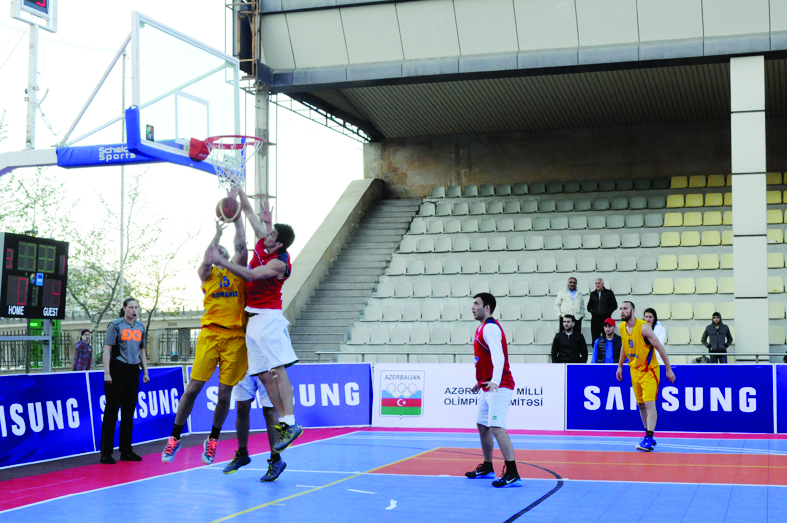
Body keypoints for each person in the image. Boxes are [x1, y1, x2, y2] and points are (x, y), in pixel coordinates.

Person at [206, 189, 302, 452]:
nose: (266, 233)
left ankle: (290, 421)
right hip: (253, 319)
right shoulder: (265, 240)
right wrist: (238, 196)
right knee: (261, 372)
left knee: (277, 370)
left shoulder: (279, 264)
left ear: (279, 244)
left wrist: (221, 262)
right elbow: (248, 213)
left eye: (271, 233)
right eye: (268, 232)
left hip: (269, 318)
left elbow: (249, 276)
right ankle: (285, 424)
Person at [162, 207, 249, 465]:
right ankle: (175, 436)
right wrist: (216, 235)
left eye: (223, 252)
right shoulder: (207, 274)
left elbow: (242, 248)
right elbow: (206, 257)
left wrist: (238, 220)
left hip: (235, 339)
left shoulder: (239, 273)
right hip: (210, 335)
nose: (219, 254)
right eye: (216, 252)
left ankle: (213, 439)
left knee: (224, 396)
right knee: (193, 389)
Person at [464, 293, 520, 488]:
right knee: (482, 425)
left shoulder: (490, 328)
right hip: (487, 386)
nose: (473, 307)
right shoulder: (481, 328)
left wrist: (495, 381)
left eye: (476, 304)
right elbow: (485, 360)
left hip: (500, 385)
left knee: (497, 427)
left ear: (487, 308)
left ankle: (513, 472)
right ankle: (488, 466)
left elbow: (498, 357)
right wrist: (480, 382)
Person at [616, 301, 676, 452]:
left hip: (649, 370)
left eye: (625, 309)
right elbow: (625, 345)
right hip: (634, 370)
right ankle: (647, 434)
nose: (622, 312)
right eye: (621, 309)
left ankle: (649, 437)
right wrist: (620, 366)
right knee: (641, 404)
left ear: (633, 311)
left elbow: (659, 348)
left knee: (650, 404)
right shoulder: (622, 327)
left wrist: (668, 369)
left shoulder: (644, 327)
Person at [100, 297, 149, 464]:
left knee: (129, 412)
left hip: (133, 370)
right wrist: (107, 373)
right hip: (117, 369)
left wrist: (145, 372)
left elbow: (142, 350)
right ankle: (106, 453)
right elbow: (107, 350)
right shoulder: (115, 325)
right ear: (124, 309)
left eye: (136, 307)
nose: (134, 310)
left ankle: (126, 450)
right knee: (111, 412)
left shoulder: (141, 326)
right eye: (131, 307)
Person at [222, 372, 287, 482]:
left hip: (266, 365)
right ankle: (242, 454)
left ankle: (276, 460)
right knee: (241, 406)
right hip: (244, 365)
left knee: (269, 410)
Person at [587, 278, 618, 342]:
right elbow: (589, 306)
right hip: (595, 319)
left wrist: (608, 312)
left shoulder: (609, 293)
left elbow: (614, 305)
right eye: (596, 283)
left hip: (606, 319)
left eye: (599, 283)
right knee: (595, 338)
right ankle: (596, 351)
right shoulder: (593, 294)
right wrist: (592, 311)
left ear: (603, 284)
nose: (597, 285)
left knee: (607, 336)